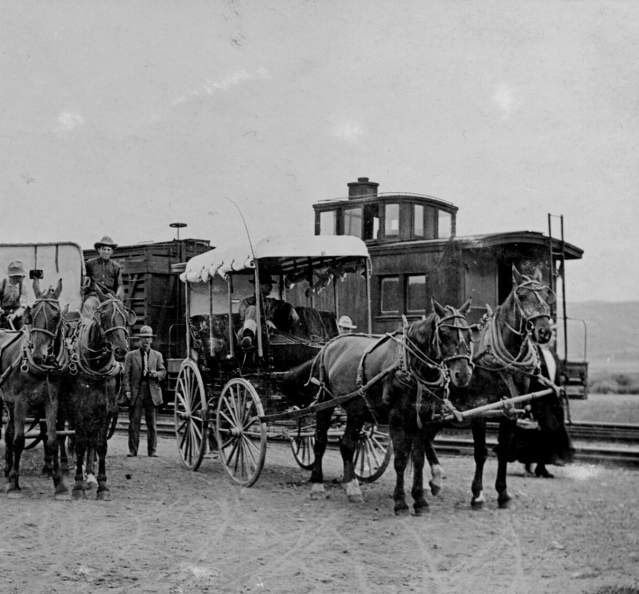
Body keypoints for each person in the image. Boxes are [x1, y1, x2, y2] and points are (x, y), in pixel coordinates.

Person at [123, 325, 166, 457]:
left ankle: (152, 451)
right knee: (134, 423)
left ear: (151, 340)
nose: (146, 341)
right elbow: (126, 375)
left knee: (151, 424)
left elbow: (163, 372)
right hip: (137, 392)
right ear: (139, 340)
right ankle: (133, 450)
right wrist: (128, 391)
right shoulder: (130, 356)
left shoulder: (157, 355)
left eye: (148, 338)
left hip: (151, 391)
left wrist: (156, 374)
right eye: (143, 338)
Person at [238, 272, 299, 349]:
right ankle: (248, 337)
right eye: (266, 284)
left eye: (270, 284)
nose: (270, 286)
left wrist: (290, 309)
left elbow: (285, 307)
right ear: (257, 285)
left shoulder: (271, 302)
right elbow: (245, 320)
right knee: (252, 309)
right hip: (248, 331)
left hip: (269, 331)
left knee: (288, 308)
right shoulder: (246, 302)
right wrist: (264, 322)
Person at [82, 235, 124, 317]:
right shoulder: (90, 264)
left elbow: (120, 285)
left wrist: (118, 296)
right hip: (94, 296)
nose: (106, 252)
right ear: (99, 250)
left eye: (108, 250)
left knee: (120, 313)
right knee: (88, 305)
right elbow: (84, 280)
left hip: (109, 297)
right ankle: (86, 328)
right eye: (103, 249)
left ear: (112, 252)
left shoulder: (116, 267)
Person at [0, 260, 28, 330]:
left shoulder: (23, 287)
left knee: (21, 335)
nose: (22, 278)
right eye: (21, 277)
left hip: (17, 317)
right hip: (2, 316)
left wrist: (15, 315)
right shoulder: (2, 284)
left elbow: (23, 306)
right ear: (15, 277)